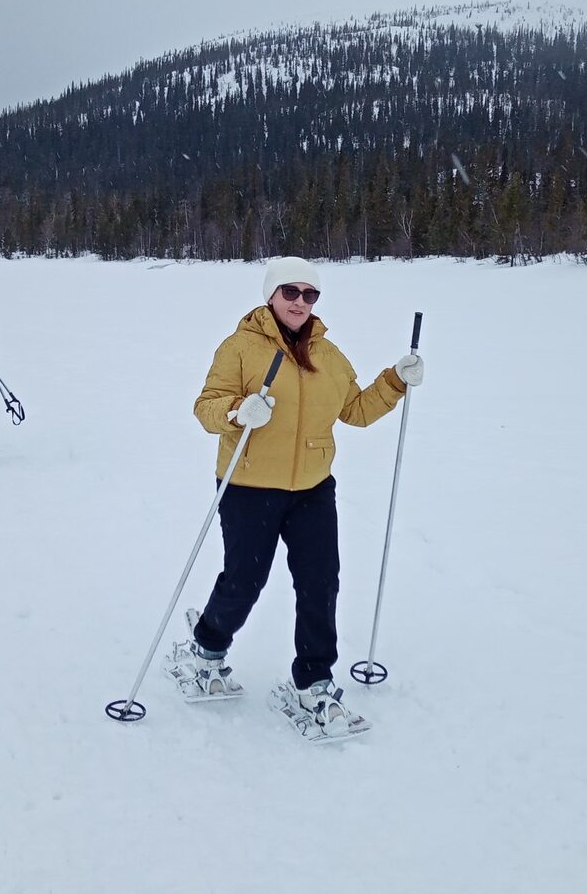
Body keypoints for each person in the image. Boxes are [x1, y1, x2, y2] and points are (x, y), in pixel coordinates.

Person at [173, 256, 425, 737]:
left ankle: (313, 679)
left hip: (312, 488)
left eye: (310, 295)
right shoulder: (240, 348)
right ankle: (206, 648)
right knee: (244, 581)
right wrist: (236, 411)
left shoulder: (328, 356)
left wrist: (394, 381)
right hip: (248, 486)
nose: (300, 303)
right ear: (270, 295)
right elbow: (205, 406)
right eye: (291, 292)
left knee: (320, 583)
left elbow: (355, 410)